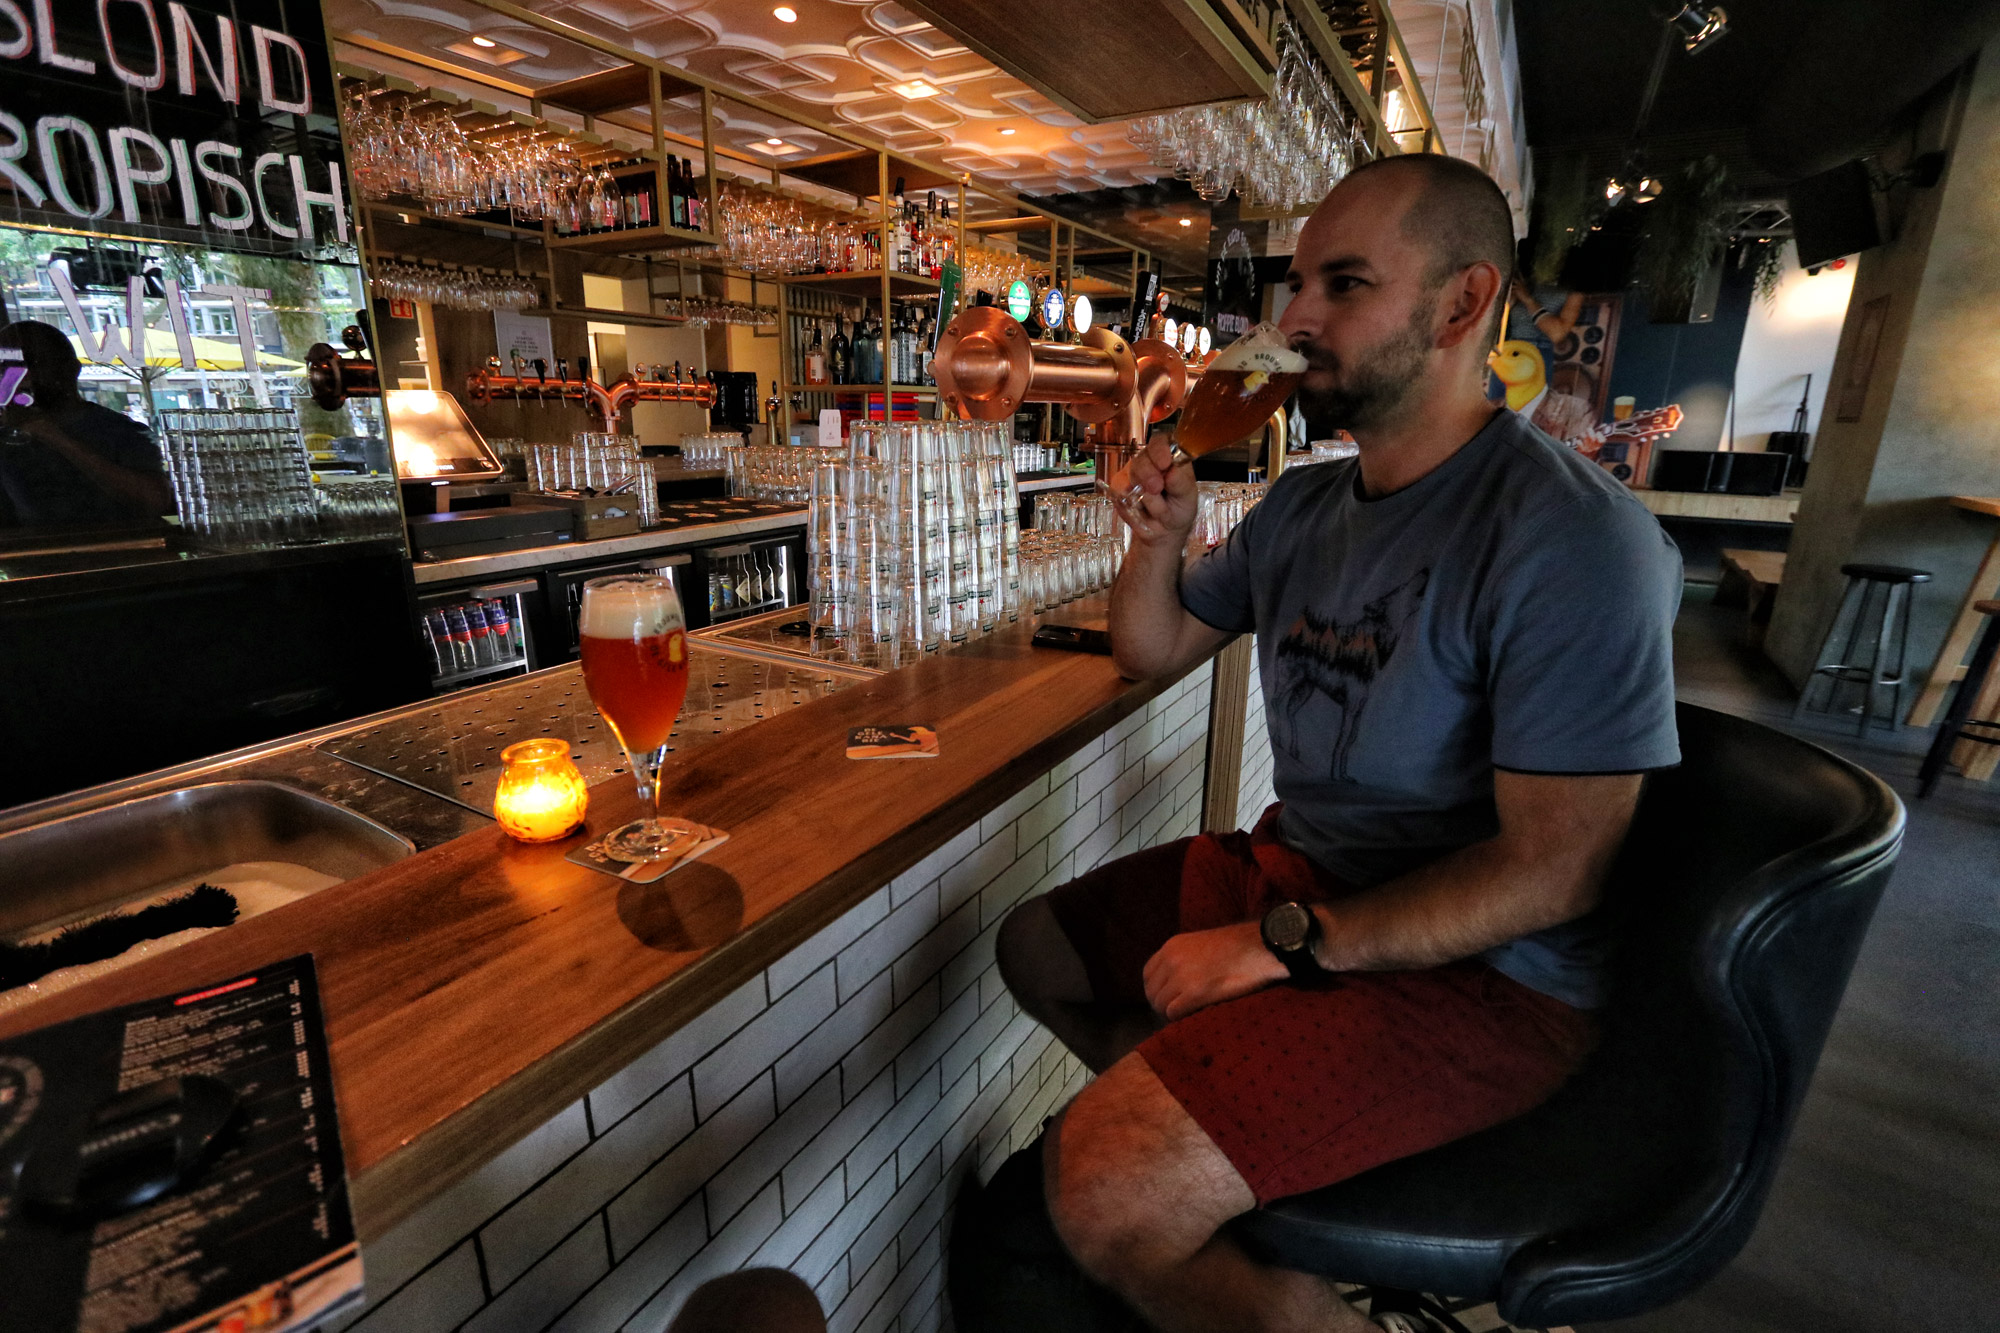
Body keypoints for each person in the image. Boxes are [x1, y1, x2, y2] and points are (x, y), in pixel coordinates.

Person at [995, 154, 1682, 1333]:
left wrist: (1282, 950)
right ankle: (1231, 1173)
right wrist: (1154, 542)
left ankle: (1207, 1221)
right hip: (1306, 883)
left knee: (1101, 1191)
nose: (1294, 319)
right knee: (1038, 951)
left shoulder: (1569, 540)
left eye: (1343, 285)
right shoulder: (1304, 509)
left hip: (1483, 981)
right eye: (1298, 282)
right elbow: (1150, 651)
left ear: (1462, 305)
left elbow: (1553, 870)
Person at [0, 320, 172, 532]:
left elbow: (156, 500)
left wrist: (55, 438)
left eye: (36, 365)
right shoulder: (7, 437)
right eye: (7, 369)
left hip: (121, 554)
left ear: (71, 370)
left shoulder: (120, 432)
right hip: (36, 557)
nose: (22, 378)